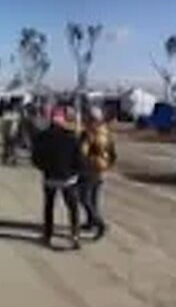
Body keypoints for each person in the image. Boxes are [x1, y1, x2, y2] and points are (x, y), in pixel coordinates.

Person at [32, 107, 84, 249]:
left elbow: (35, 158)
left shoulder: (41, 137)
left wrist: (44, 168)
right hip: (68, 179)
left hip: (50, 177)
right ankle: (75, 235)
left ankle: (47, 235)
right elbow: (79, 160)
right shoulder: (71, 137)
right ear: (63, 121)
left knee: (49, 207)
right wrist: (75, 172)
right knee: (73, 207)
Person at [78, 106, 117, 239]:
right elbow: (112, 152)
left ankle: (98, 222)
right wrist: (107, 164)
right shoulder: (106, 132)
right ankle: (91, 222)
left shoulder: (88, 133)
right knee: (94, 197)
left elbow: (82, 152)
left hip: (88, 168)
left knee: (83, 197)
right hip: (101, 168)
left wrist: (80, 165)